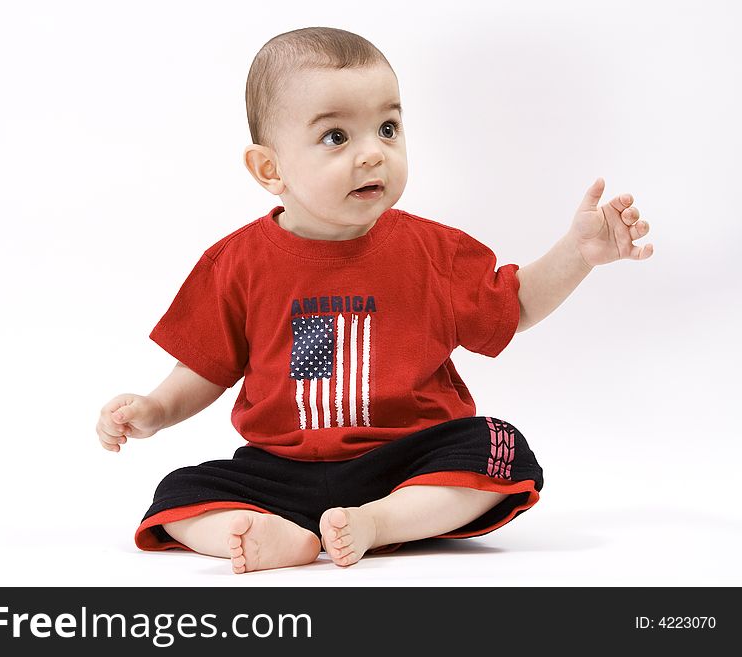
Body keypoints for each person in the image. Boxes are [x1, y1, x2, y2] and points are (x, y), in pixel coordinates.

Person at [95, 27, 654, 574]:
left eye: (387, 128)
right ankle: (269, 536)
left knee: (499, 447)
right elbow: (206, 365)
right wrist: (157, 409)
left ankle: (378, 523)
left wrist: (578, 252)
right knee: (180, 492)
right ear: (270, 169)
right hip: (279, 470)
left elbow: (514, 305)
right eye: (336, 137)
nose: (373, 155)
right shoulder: (236, 264)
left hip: (407, 466)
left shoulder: (430, 250)